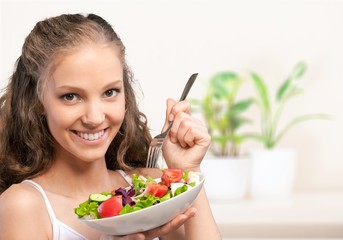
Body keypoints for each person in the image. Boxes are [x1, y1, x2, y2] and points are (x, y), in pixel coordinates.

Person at [0, 13, 221, 240]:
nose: (94, 118)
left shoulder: (152, 187)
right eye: (70, 96)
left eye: (110, 92)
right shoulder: (24, 206)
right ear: (37, 102)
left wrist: (188, 172)